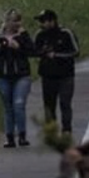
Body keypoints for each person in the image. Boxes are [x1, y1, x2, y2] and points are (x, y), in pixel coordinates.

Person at [0, 8, 35, 147]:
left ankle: (21, 135)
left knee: (18, 104)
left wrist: (19, 46)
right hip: (2, 76)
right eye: (14, 21)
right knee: (8, 107)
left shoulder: (23, 36)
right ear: (7, 22)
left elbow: (33, 51)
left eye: (19, 21)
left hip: (21, 75)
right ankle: (9, 137)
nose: (16, 24)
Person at [33, 8, 81, 139]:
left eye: (44, 21)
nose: (41, 24)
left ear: (52, 21)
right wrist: (41, 52)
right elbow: (33, 51)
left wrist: (57, 55)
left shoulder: (66, 33)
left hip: (65, 75)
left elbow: (76, 51)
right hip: (47, 76)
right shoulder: (39, 35)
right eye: (41, 21)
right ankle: (52, 129)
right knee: (49, 105)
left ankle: (67, 129)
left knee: (65, 103)